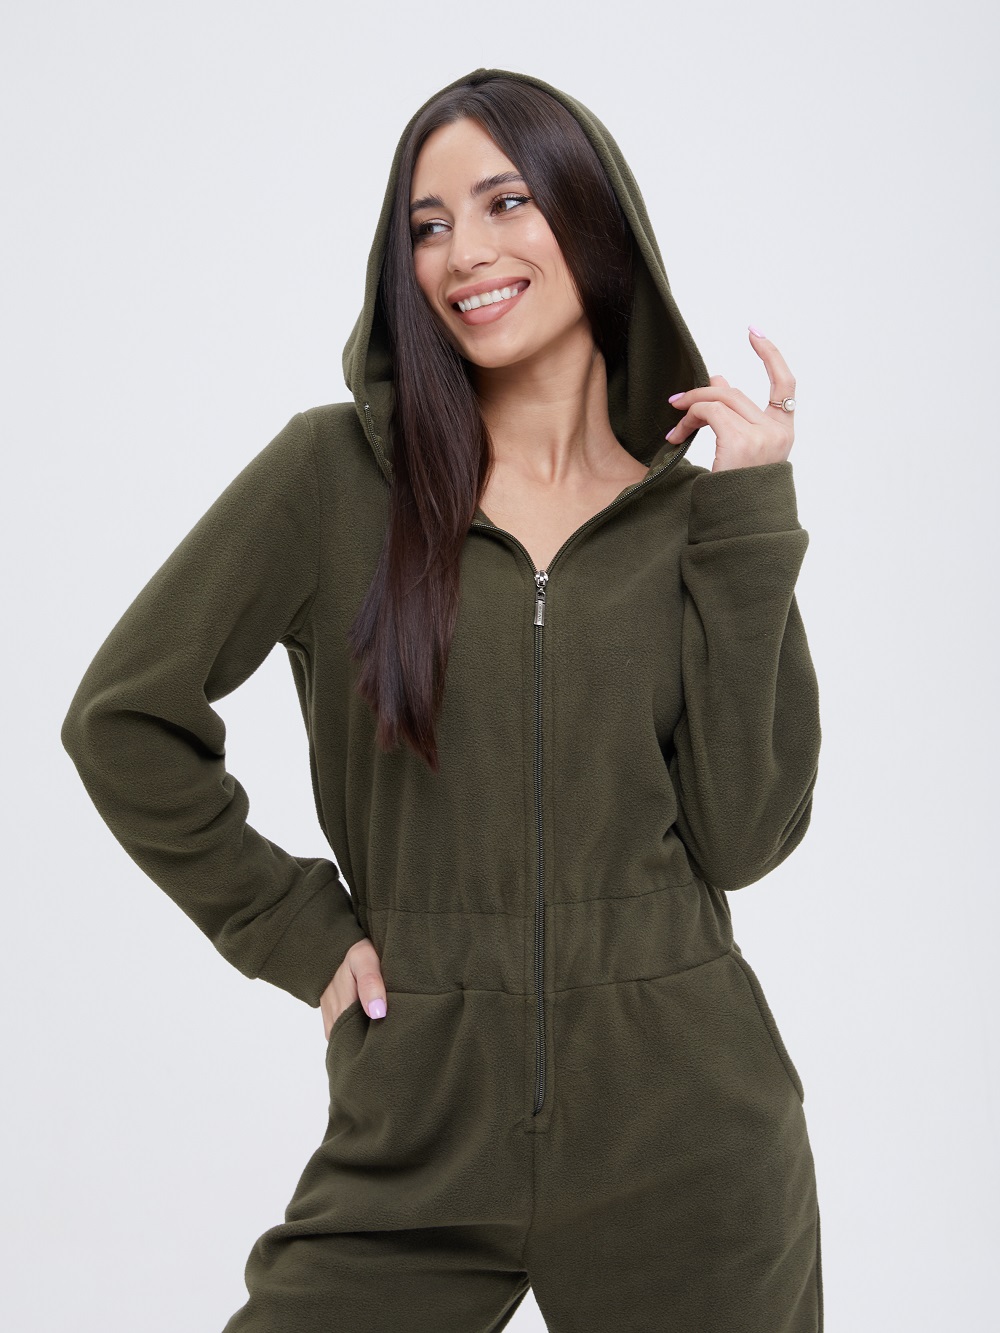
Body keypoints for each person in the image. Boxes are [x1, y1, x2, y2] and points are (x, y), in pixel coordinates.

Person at [60, 65, 823, 1333]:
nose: (462, 252)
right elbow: (122, 718)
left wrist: (749, 519)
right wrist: (296, 928)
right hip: (414, 1116)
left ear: (594, 216)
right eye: (427, 224)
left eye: (505, 201)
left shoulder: (693, 520)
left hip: (688, 1130)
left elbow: (743, 837)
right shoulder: (332, 475)